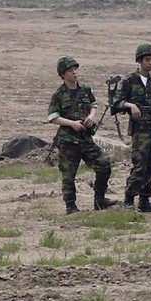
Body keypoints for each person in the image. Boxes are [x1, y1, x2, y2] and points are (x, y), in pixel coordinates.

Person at [47, 56, 118, 214]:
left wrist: (91, 116)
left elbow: (93, 104)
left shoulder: (85, 89)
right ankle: (71, 206)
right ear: (62, 74)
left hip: (85, 138)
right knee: (68, 175)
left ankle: (100, 199)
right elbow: (52, 117)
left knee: (104, 164)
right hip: (68, 141)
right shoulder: (59, 94)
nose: (74, 73)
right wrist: (72, 123)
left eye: (75, 69)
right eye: (70, 70)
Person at [113, 43, 151, 212]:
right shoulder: (130, 81)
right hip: (140, 131)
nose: (150, 63)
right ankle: (129, 198)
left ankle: (145, 199)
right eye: (147, 60)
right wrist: (131, 105)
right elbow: (116, 102)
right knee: (140, 164)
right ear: (139, 61)